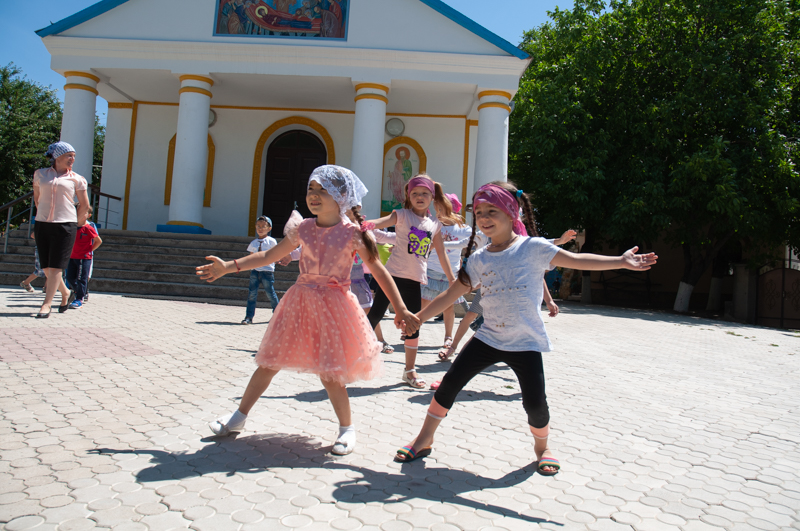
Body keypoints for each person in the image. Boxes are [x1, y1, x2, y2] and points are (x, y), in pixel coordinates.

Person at [394, 181, 657, 477]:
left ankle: (542, 448)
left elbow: (576, 260)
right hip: (488, 338)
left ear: (511, 213)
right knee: (448, 386)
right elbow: (450, 294)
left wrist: (620, 261)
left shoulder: (533, 248)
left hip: (525, 342)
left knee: (535, 405)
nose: (484, 218)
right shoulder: (479, 258)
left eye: (492, 211)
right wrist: (417, 317)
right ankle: (424, 439)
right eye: (479, 212)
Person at [197, 165, 420, 456]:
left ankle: (347, 428)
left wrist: (400, 308)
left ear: (341, 196)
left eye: (322, 190)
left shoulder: (352, 234)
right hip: (299, 303)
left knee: (330, 373)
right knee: (269, 362)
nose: (313, 195)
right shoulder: (302, 228)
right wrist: (229, 266)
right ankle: (238, 417)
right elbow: (269, 255)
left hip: (334, 307)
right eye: (310, 189)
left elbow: (379, 271)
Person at [362, 174, 456, 389]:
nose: (419, 197)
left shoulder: (435, 224)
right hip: (392, 276)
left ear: (432, 197)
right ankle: (352, 357)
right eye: (415, 193)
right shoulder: (402, 215)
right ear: (408, 196)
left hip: (414, 280)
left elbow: (441, 253)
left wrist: (452, 279)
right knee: (375, 315)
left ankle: (409, 371)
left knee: (414, 326)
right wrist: (365, 224)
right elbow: (381, 222)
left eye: (424, 193)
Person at [439, 229, 577, 362]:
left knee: (492, 327)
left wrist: (549, 300)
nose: (487, 220)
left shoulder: (517, 239)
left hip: (510, 294)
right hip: (487, 286)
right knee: (471, 316)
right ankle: (453, 347)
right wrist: (437, 243)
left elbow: (537, 250)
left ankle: (504, 354)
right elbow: (460, 243)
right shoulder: (482, 235)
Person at [32, 142, 90, 318]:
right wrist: (43, 215)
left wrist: (75, 223)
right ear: (57, 156)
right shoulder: (40, 174)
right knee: (46, 267)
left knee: (56, 267)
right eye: (68, 155)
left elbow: (85, 205)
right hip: (43, 223)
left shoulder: (77, 179)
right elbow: (37, 198)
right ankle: (65, 292)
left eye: (74, 156)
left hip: (65, 225)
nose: (72, 159)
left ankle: (46, 304)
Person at [420, 193, 472, 355]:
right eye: (436, 209)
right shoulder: (433, 225)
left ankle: (448, 337)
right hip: (431, 271)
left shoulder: (463, 229)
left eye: (440, 209)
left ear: (452, 210)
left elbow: (475, 241)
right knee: (424, 302)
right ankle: (414, 328)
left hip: (451, 274)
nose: (437, 213)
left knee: (448, 306)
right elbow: (422, 245)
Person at [242, 215, 280, 325]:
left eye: (263, 226)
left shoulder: (271, 241)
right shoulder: (253, 243)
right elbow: (251, 257)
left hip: (267, 271)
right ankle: (249, 317)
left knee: (270, 293)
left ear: (269, 228)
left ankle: (278, 315)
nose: (260, 228)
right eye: (258, 226)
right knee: (252, 294)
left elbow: (276, 254)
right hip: (255, 271)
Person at [66, 205, 102, 309]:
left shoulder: (88, 228)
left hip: (84, 257)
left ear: (88, 215)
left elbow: (98, 241)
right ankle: (79, 291)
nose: (80, 214)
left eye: (83, 212)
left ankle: (79, 299)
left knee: (81, 278)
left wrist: (89, 250)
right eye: (78, 211)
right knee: (69, 277)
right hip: (72, 256)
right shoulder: (72, 227)